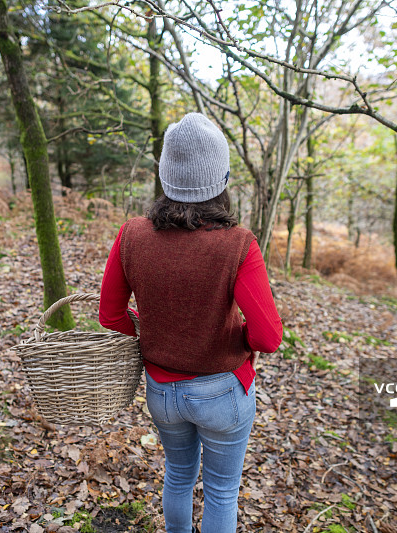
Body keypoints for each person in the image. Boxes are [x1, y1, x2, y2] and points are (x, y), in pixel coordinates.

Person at [98, 112, 283, 533]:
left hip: (162, 391)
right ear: (221, 178)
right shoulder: (238, 244)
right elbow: (268, 336)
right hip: (222, 391)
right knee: (220, 491)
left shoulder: (132, 235)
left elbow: (110, 315)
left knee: (178, 476)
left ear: (165, 175)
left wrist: (152, 333)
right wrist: (236, 339)